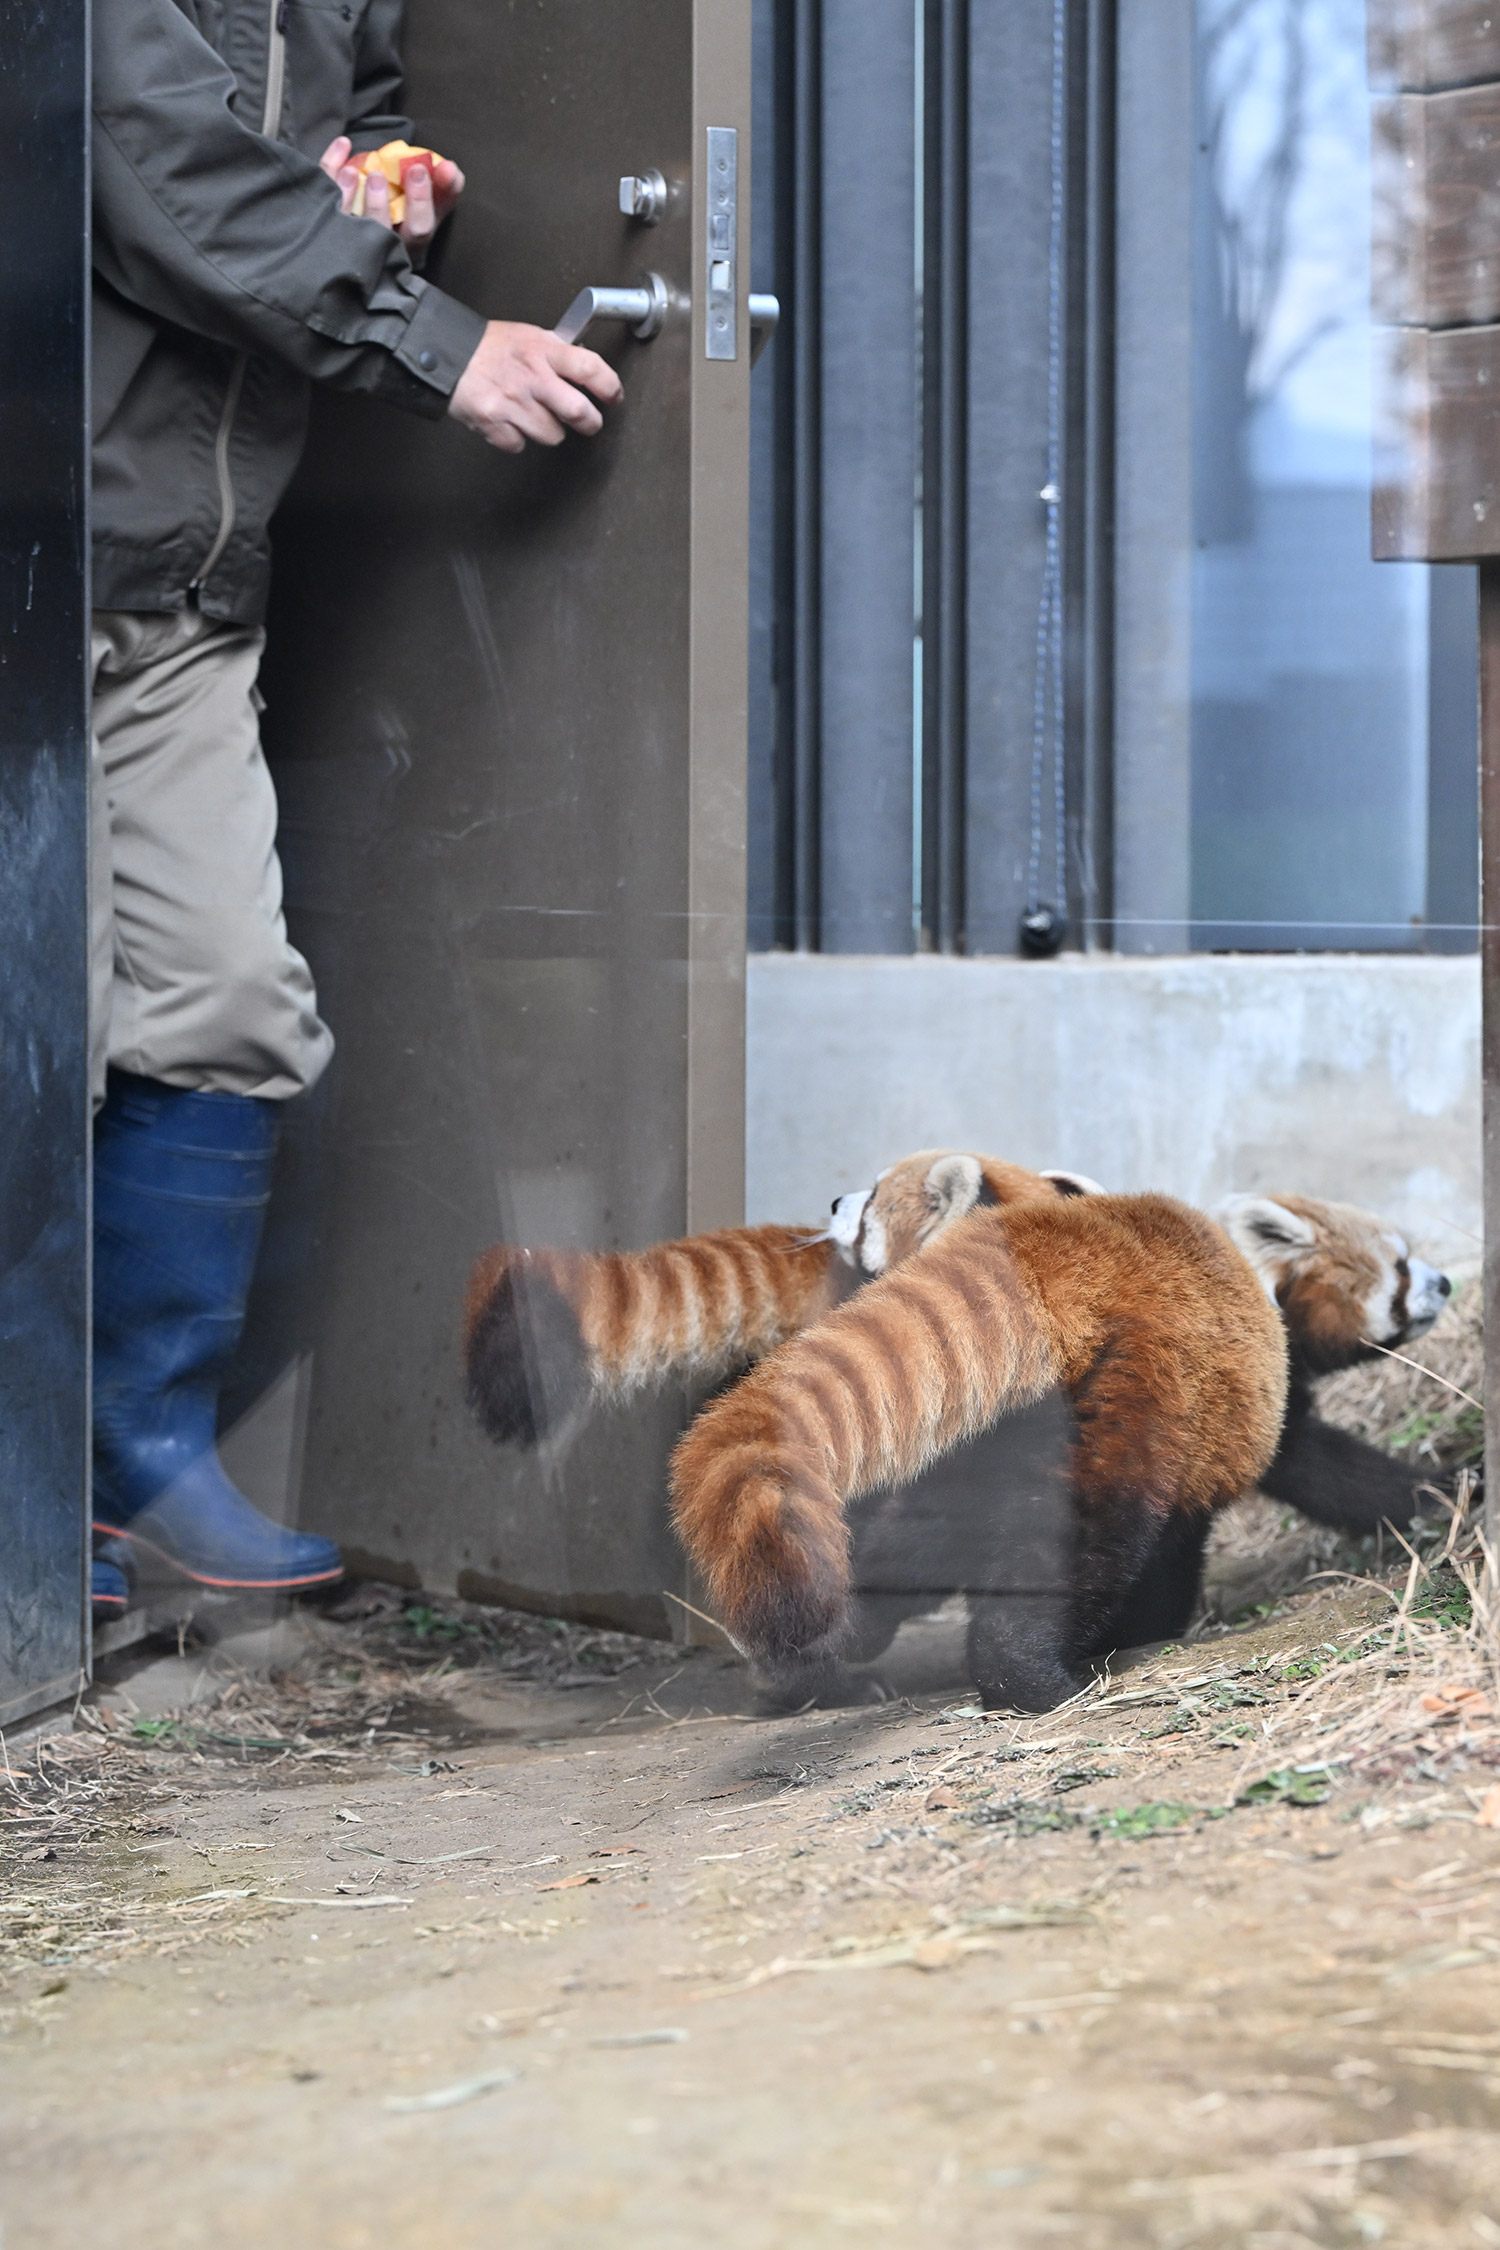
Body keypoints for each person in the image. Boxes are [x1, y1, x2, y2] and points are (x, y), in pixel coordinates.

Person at [87, 0, 622, 1617]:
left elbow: (345, 117)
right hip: (40, 545)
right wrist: (438, 343)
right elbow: (145, 157)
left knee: (228, 1005)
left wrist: (386, 180)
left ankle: (128, 1466)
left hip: (184, 582)